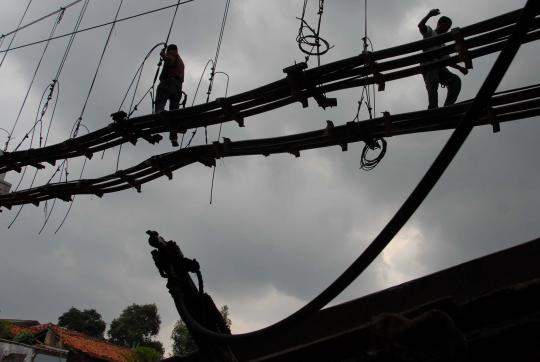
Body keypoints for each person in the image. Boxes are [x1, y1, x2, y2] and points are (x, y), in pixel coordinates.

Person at [418, 9, 468, 109]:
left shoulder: (443, 44)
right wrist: (429, 15)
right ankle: (433, 107)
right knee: (434, 78)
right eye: (446, 27)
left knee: (455, 80)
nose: (447, 30)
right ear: (439, 24)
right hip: (429, 65)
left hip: (440, 68)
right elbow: (421, 26)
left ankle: (448, 107)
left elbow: (447, 60)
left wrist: (459, 68)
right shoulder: (430, 32)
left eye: (448, 28)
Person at [155, 44, 185, 146]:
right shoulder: (181, 62)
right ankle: (174, 138)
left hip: (169, 81)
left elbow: (169, 60)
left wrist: (163, 55)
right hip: (178, 86)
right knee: (174, 112)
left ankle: (159, 112)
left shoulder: (172, 54)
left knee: (161, 99)